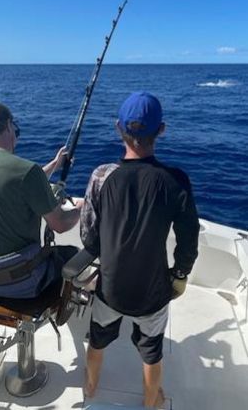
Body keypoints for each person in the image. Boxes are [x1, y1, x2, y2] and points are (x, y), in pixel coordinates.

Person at [80, 92, 200, 408]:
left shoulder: (100, 177)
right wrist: (180, 275)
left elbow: (89, 239)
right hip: (153, 291)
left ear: (118, 128)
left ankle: (90, 388)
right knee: (152, 350)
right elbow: (189, 238)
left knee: (97, 340)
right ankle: (151, 402)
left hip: (111, 289)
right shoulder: (176, 180)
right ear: (161, 130)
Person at [0, 101, 82, 299]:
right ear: (8, 125)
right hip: (18, 282)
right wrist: (84, 209)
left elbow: (13, 182)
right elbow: (60, 224)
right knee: (72, 254)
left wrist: (54, 165)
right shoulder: (27, 171)